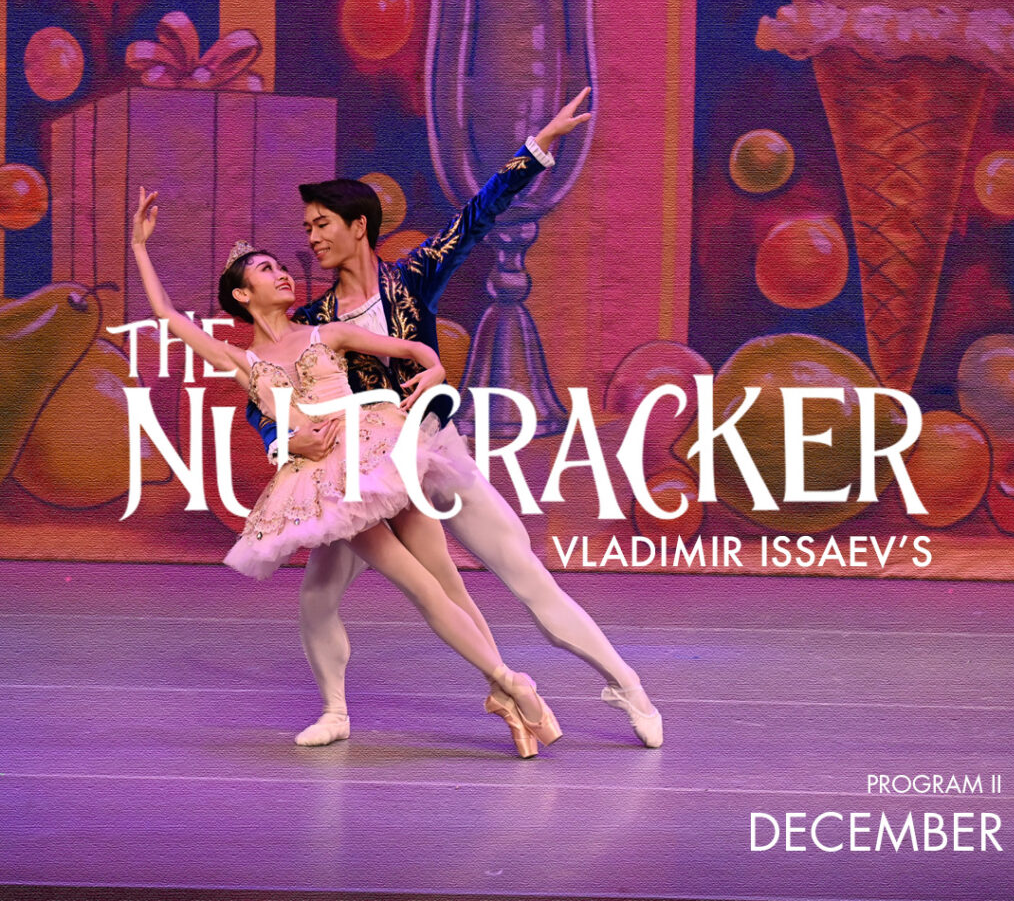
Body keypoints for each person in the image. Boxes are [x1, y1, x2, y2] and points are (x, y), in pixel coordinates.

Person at [247, 88, 664, 749]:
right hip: (368, 478)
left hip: (436, 453)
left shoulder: (411, 279)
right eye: (306, 228)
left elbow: (476, 217)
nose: (312, 237)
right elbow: (264, 397)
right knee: (317, 598)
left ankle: (626, 684)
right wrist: (281, 438)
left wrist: (537, 150)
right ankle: (337, 711)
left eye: (321, 223)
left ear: (359, 225)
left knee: (525, 576)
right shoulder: (314, 323)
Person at [129, 188, 560, 759]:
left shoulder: (323, 332)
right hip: (327, 483)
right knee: (406, 589)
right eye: (267, 270)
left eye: (283, 267)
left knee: (433, 584)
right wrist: (139, 247)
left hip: (373, 454)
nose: (284, 273)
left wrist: (432, 372)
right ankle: (503, 688)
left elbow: (415, 349)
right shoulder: (242, 361)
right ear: (242, 294)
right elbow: (166, 316)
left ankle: (510, 687)